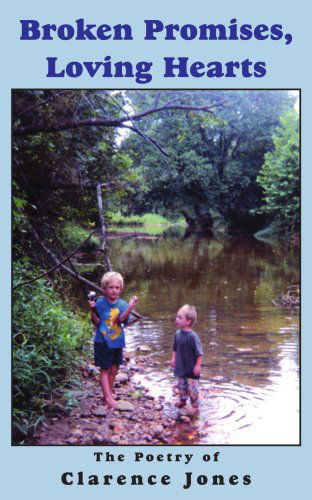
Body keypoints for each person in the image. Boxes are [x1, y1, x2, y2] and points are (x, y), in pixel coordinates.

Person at [88, 271, 138, 408]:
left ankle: (109, 391)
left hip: (117, 342)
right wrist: (92, 310)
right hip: (102, 342)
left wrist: (130, 307)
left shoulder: (122, 304)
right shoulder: (99, 303)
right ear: (104, 289)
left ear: (121, 289)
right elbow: (96, 322)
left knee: (115, 369)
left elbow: (121, 320)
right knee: (105, 369)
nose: (114, 290)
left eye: (117, 287)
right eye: (111, 287)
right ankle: (107, 398)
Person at [171, 304, 203, 409]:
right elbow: (175, 348)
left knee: (193, 389)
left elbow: (199, 353)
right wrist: (173, 359)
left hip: (191, 369)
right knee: (181, 386)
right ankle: (183, 401)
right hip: (181, 367)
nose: (176, 319)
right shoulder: (177, 334)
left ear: (188, 321)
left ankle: (195, 406)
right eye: (177, 316)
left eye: (180, 317)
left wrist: (198, 366)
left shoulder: (193, 337)